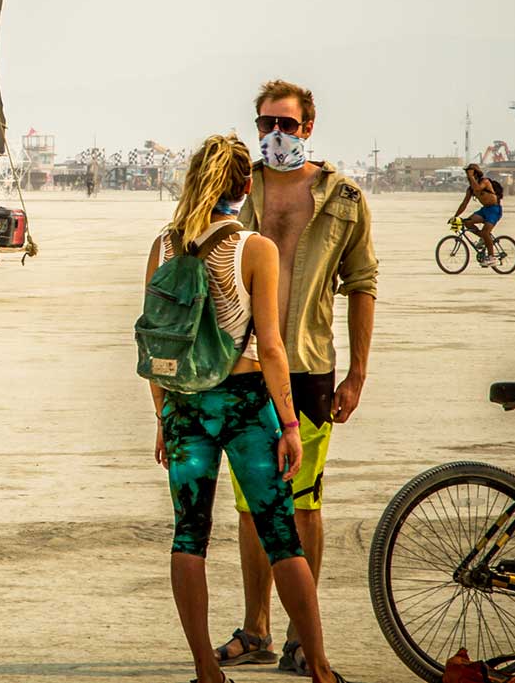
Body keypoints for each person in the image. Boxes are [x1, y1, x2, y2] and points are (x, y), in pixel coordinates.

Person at [147, 133, 346, 683]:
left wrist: (162, 417)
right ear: (242, 186)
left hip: (185, 406)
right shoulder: (254, 248)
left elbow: (155, 344)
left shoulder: (164, 246)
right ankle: (321, 670)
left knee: (189, 534)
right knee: (281, 532)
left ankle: (207, 672)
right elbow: (272, 346)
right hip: (244, 404)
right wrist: (288, 423)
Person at [213, 80, 377, 672]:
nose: (275, 134)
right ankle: (255, 629)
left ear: (309, 126)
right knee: (251, 508)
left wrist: (357, 375)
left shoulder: (344, 199)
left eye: (287, 124)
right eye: (265, 124)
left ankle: (301, 638)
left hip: (309, 370)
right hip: (240, 367)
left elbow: (363, 286)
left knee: (303, 504)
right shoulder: (234, 190)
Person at [454, 163, 503, 263]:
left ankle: (491, 257)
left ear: (475, 174)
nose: (467, 176)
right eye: (467, 174)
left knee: (485, 232)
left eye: (469, 173)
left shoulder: (485, 181)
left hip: (494, 210)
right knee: (467, 222)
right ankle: (484, 239)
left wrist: (471, 176)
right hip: (484, 210)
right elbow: (464, 203)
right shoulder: (470, 189)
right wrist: (455, 216)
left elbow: (478, 188)